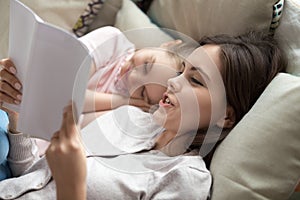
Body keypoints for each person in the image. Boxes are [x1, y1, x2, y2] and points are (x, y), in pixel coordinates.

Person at [0, 31, 287, 199]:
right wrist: (16, 117)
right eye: (181, 72)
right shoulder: (127, 118)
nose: (174, 82)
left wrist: (72, 187)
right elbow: (29, 178)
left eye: (196, 80)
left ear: (225, 116)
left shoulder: (185, 180)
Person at [80, 26, 184, 113]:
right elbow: (71, 94)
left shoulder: (133, 109)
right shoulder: (112, 41)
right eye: (145, 66)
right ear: (167, 45)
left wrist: (125, 103)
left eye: (142, 91)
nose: (132, 77)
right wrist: (121, 101)